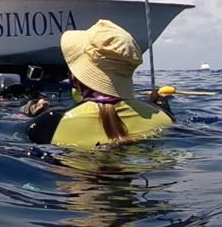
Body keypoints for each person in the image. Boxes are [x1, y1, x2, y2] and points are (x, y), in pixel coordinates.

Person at [25, 19, 174, 148]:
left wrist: (29, 114)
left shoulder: (49, 124)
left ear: (75, 77)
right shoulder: (166, 119)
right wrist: (157, 106)